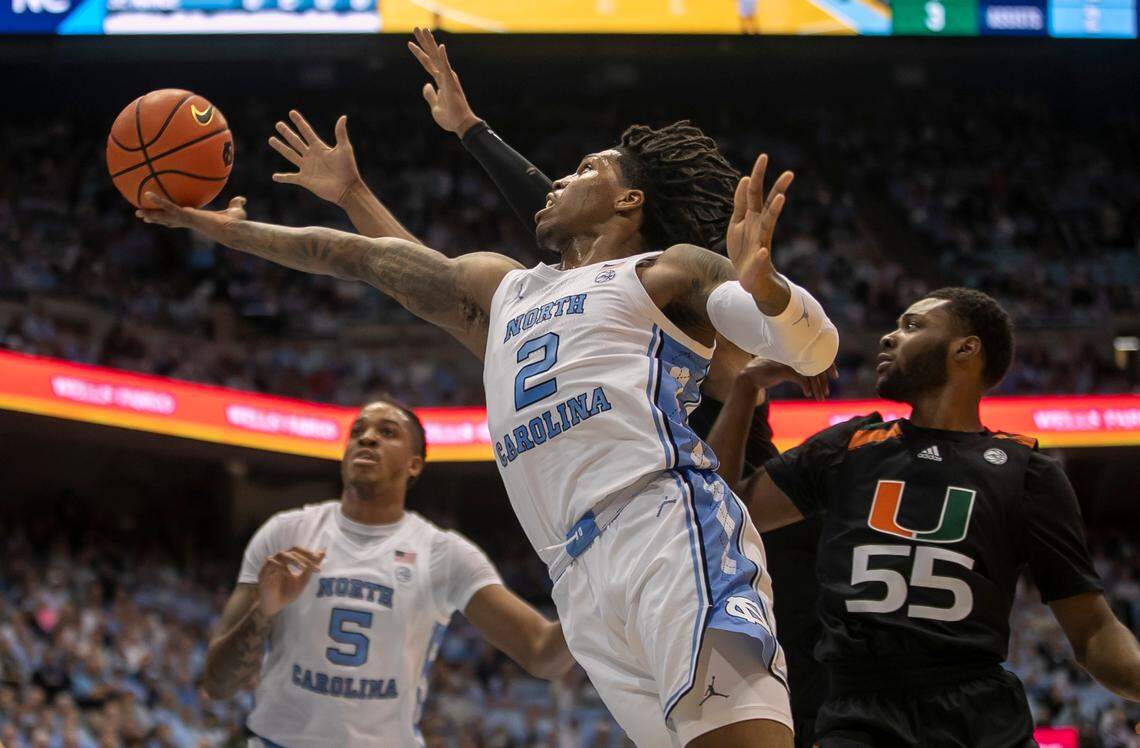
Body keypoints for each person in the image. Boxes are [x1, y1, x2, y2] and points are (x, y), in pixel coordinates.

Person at [137, 32, 839, 744]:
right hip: (574, 571)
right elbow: (363, 258)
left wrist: (773, 292)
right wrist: (224, 229)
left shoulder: (668, 271)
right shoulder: (504, 291)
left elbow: (811, 347)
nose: (558, 180)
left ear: (629, 200)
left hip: (663, 525)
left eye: (582, 169)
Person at [739, 288, 1140, 747]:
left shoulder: (1026, 472)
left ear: (965, 348)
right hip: (858, 709)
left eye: (912, 326)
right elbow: (731, 508)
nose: (888, 337)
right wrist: (744, 390)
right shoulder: (846, 446)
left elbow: (1092, 631)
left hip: (979, 713)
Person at [203, 399, 574, 747]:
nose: (367, 437)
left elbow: (542, 654)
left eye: (387, 432)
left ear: (414, 465)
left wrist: (595, 594)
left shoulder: (443, 554)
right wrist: (263, 613)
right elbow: (218, 684)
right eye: (358, 430)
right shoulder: (285, 534)